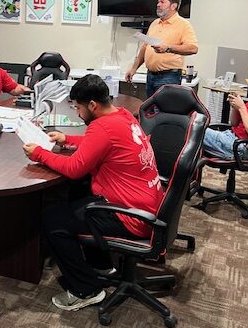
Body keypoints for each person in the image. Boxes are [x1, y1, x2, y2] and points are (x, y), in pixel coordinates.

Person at [22, 74, 163, 311]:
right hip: (147, 203)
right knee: (79, 193)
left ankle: (85, 290)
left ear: (92, 105)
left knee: (53, 220)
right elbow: (100, 142)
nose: (77, 113)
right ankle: (101, 264)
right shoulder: (121, 115)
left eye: (77, 107)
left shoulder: (101, 127)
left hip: (131, 216)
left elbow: (74, 168)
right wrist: (67, 139)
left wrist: (39, 153)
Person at [125, 0, 198, 99]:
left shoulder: (183, 24)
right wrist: (133, 69)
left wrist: (168, 48)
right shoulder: (155, 23)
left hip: (169, 77)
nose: (158, 5)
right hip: (150, 76)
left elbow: (193, 48)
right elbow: (145, 48)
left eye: (162, 2)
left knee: (164, 112)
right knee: (151, 112)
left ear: (173, 6)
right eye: (158, 2)